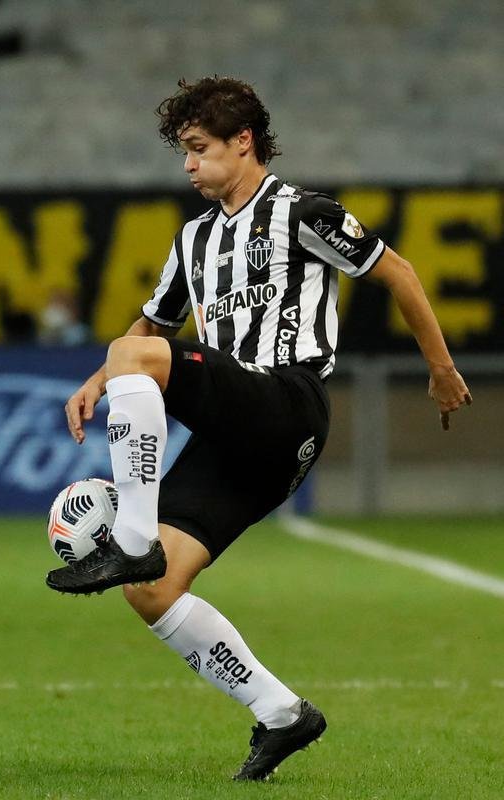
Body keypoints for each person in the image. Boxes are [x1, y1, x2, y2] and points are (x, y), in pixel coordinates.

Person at [46, 77, 472, 781]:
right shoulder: (193, 240)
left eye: (197, 148)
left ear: (242, 142)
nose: (186, 165)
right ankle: (281, 714)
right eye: (182, 151)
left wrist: (440, 369)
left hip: (286, 401)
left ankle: (130, 536)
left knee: (134, 369)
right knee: (149, 591)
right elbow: (153, 323)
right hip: (241, 439)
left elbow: (397, 272)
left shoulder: (302, 211)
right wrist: (99, 379)